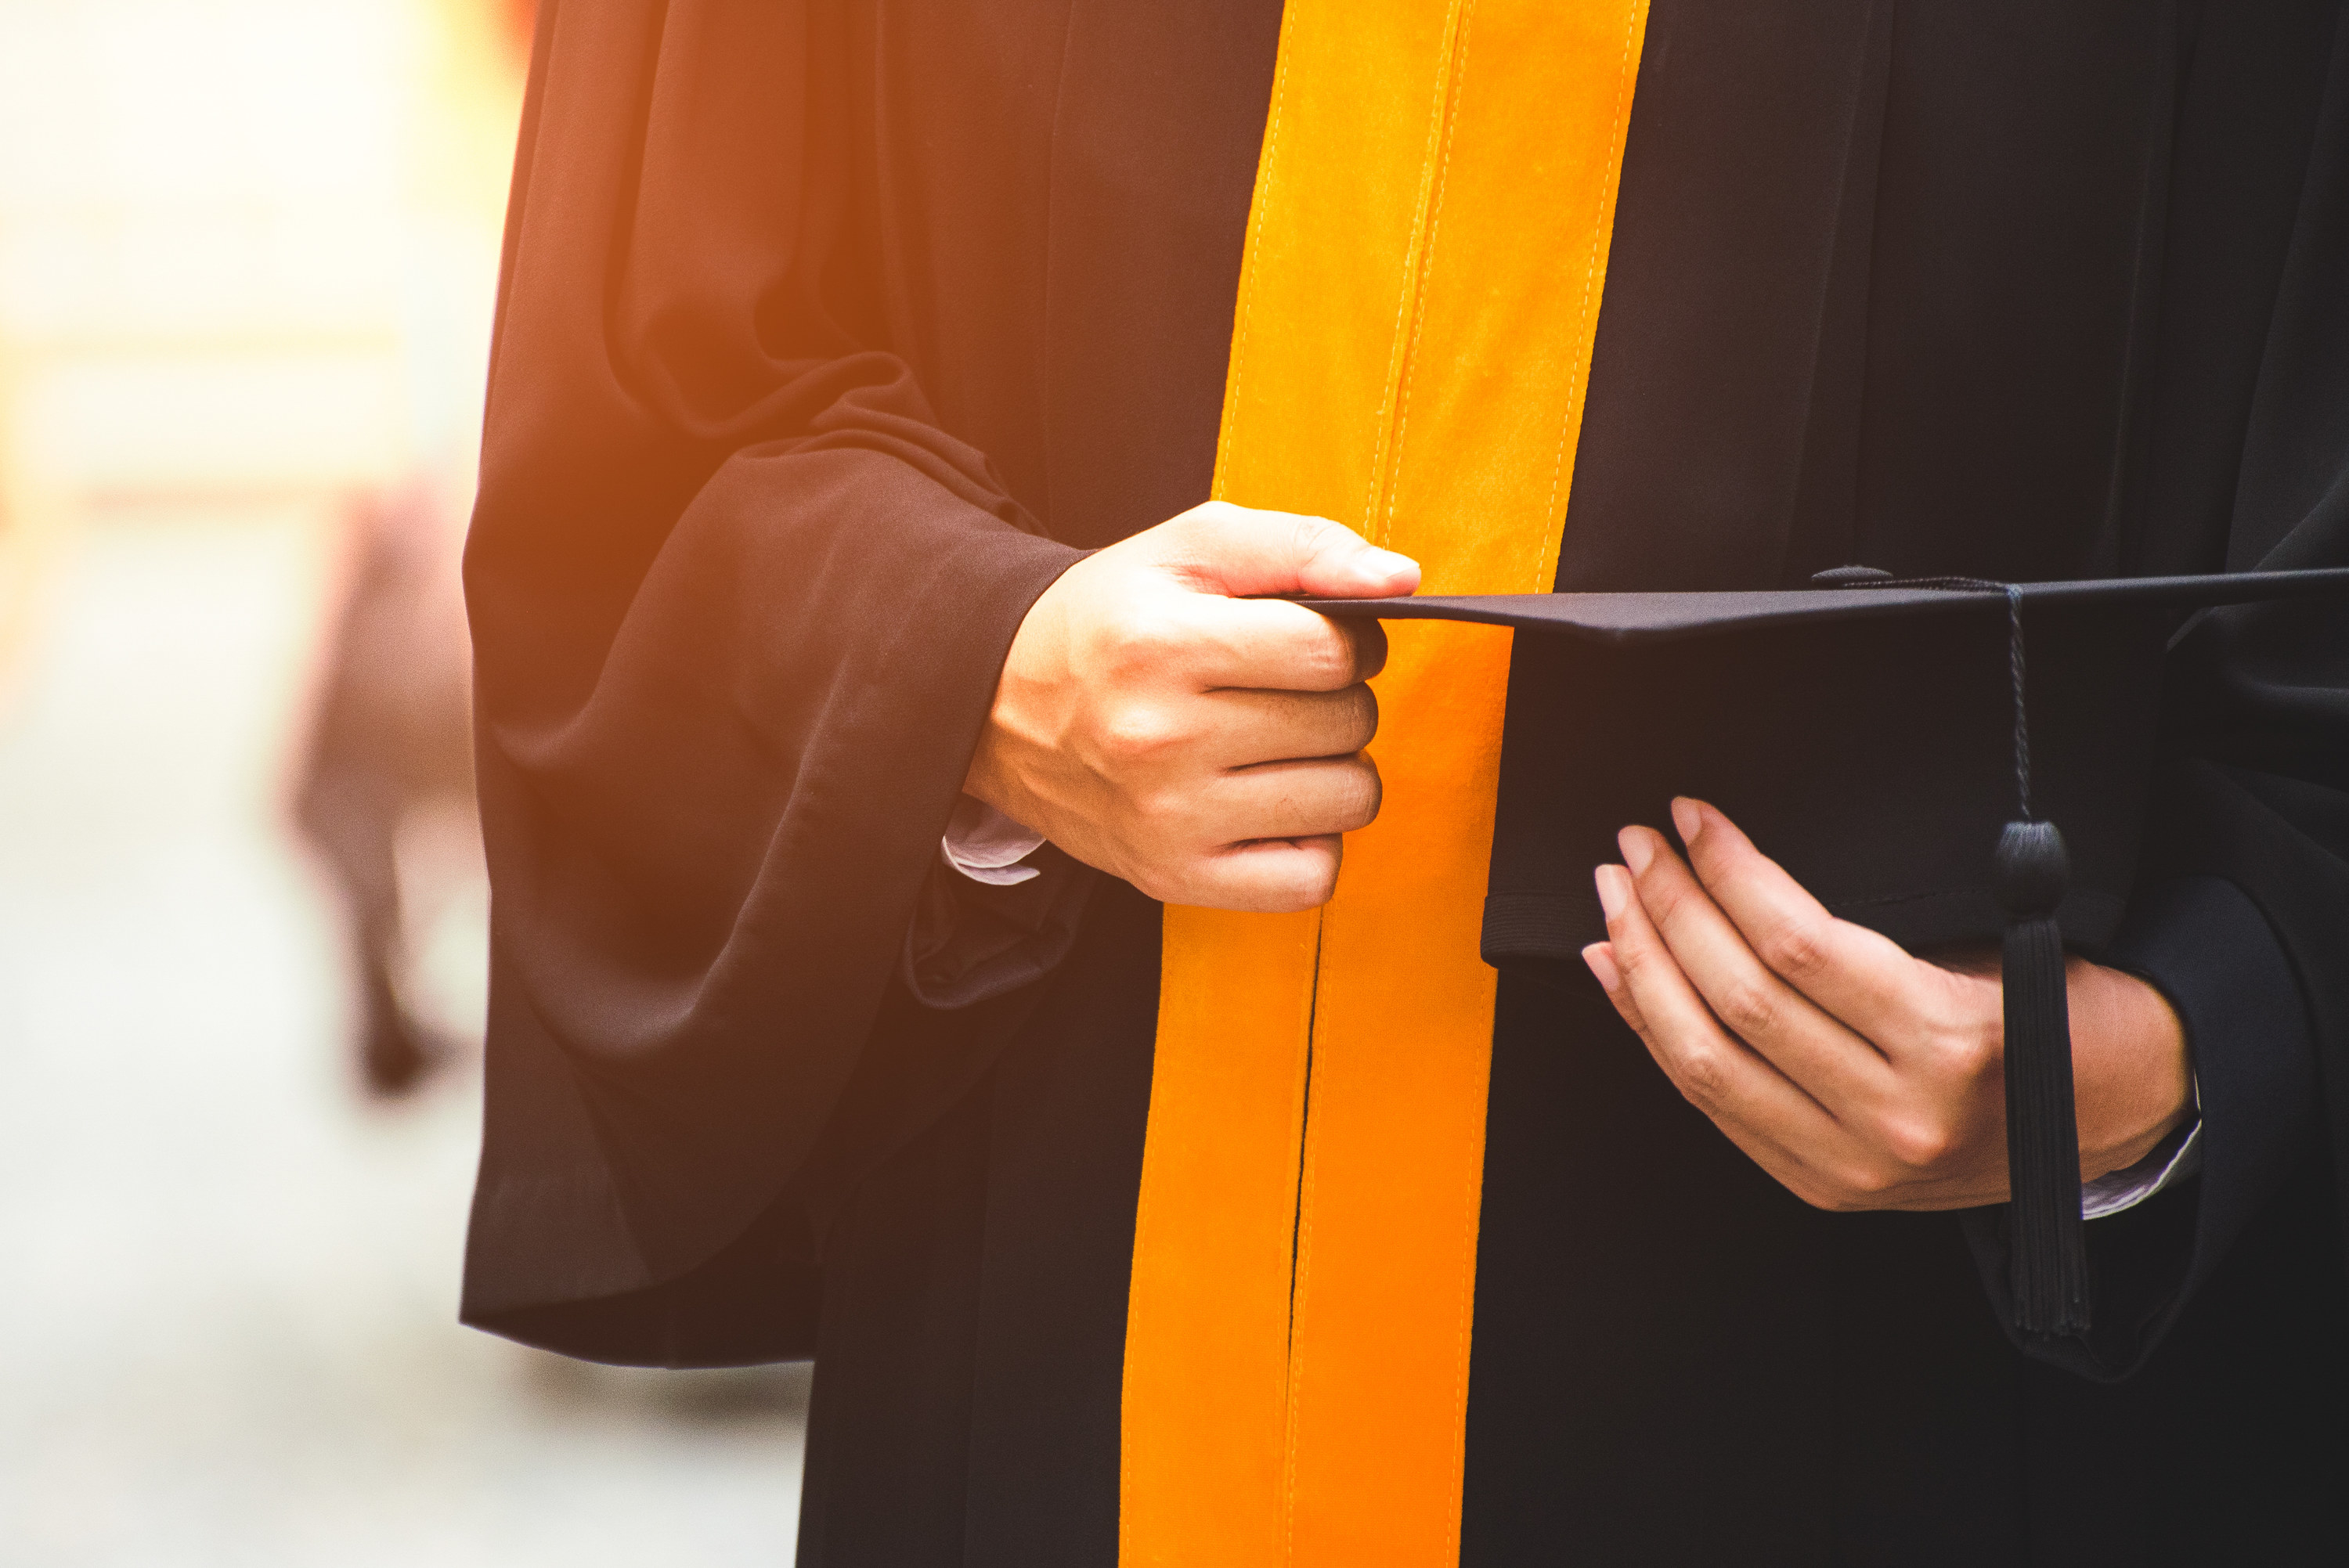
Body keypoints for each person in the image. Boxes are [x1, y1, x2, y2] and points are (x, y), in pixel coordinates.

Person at [460, 2, 2349, 1563]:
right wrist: (969, 660)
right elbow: (647, 399)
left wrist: (2200, 1047)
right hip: (1067, 1302)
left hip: (1882, 1397)